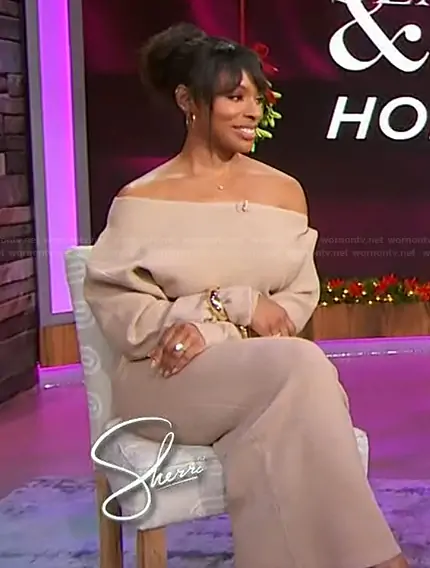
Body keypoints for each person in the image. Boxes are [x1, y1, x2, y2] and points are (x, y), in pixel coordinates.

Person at [83, 23, 407, 568]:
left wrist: (214, 326)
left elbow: (295, 298)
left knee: (288, 390)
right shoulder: (141, 199)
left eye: (258, 98)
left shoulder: (283, 192)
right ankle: (378, 560)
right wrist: (234, 305)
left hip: (264, 371)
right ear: (188, 101)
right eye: (235, 97)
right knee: (301, 368)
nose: (252, 111)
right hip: (165, 378)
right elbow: (128, 319)